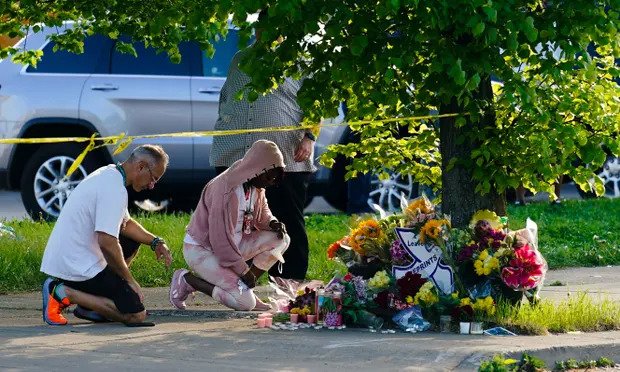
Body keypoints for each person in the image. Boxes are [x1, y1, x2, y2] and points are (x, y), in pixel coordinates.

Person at [209, 19, 314, 280]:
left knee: (285, 219)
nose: (265, 32)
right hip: (237, 155)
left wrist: (309, 136)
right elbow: (226, 97)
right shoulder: (240, 59)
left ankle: (290, 280)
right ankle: (231, 277)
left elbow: (316, 102)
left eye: (273, 26)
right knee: (234, 220)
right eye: (262, 27)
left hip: (286, 156)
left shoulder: (299, 61)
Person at [40, 145, 173, 326]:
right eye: (153, 178)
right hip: (77, 268)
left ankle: (90, 305)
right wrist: (129, 281)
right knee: (136, 315)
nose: (152, 185)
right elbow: (107, 242)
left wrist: (156, 242)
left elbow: (126, 225)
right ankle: (62, 292)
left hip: (73, 259)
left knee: (133, 240)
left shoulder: (110, 175)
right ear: (141, 166)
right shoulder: (114, 189)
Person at [170, 140, 290, 311]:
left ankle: (244, 288)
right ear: (257, 168)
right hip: (203, 250)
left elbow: (263, 213)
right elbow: (220, 242)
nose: (271, 183)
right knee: (245, 304)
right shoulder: (225, 190)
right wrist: (243, 271)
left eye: (274, 179)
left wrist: (272, 223)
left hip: (231, 246)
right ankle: (188, 281)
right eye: (269, 177)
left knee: (281, 239)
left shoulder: (255, 184)